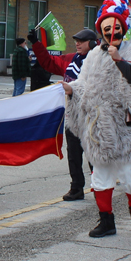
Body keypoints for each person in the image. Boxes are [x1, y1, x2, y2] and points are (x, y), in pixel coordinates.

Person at [62, 0, 131, 237]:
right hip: (100, 131)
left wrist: (120, 62)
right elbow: (85, 86)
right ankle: (106, 222)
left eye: (116, 28)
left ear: (123, 28)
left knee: (130, 178)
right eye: (107, 29)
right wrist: (71, 90)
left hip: (127, 129)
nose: (111, 33)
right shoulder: (92, 55)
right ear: (101, 30)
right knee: (100, 179)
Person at [28, 28, 97, 201]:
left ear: (93, 42)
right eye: (76, 40)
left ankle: (100, 184)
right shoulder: (70, 59)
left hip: (92, 116)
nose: (77, 43)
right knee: (73, 154)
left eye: (81, 41)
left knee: (93, 154)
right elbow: (49, 62)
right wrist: (36, 44)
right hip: (72, 116)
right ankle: (76, 187)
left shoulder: (100, 62)